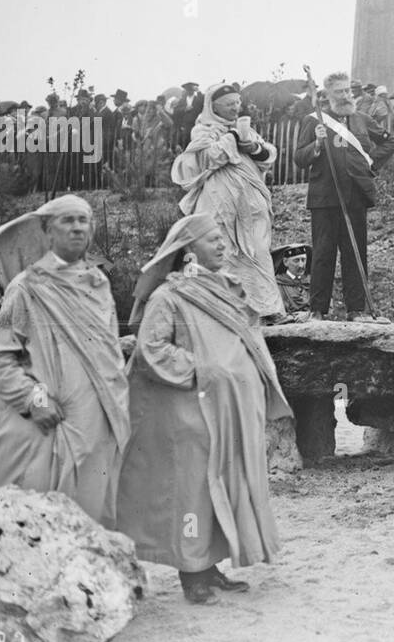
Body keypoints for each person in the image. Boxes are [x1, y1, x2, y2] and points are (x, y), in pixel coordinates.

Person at [117, 214, 292, 605]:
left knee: (217, 490)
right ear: (189, 249)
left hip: (226, 411)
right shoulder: (169, 297)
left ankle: (209, 568)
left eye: (222, 239)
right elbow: (152, 349)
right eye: (213, 240)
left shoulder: (227, 289)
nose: (222, 246)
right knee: (192, 493)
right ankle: (191, 576)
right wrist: (204, 369)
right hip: (188, 413)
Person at [0, 195, 131, 528]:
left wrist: (118, 347)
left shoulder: (99, 285)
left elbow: (97, 347)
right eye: (67, 221)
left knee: (92, 518)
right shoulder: (27, 288)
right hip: (51, 422)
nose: (77, 228)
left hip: (98, 421)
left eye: (83, 220)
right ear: (46, 232)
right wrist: (34, 400)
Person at [171, 82, 284, 321]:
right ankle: (230, 310)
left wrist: (253, 147)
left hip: (251, 204)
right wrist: (232, 138)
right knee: (227, 253)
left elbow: (268, 156)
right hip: (219, 204)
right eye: (229, 105)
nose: (235, 108)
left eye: (237, 103)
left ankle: (268, 309)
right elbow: (207, 159)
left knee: (258, 250)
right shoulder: (203, 131)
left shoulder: (245, 129)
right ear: (215, 108)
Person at [293, 72, 394, 322]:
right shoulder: (314, 120)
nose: (346, 95)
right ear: (327, 96)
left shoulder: (361, 119)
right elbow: (299, 157)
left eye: (348, 90)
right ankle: (317, 310)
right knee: (323, 253)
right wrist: (316, 145)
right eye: (340, 91)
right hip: (325, 197)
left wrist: (370, 166)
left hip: (354, 196)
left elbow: (389, 142)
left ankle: (356, 310)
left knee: (355, 252)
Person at [272, 244, 311, 317]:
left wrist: (308, 314)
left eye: (303, 260)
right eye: (296, 261)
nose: (301, 265)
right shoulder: (277, 284)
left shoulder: (311, 281)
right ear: (285, 262)